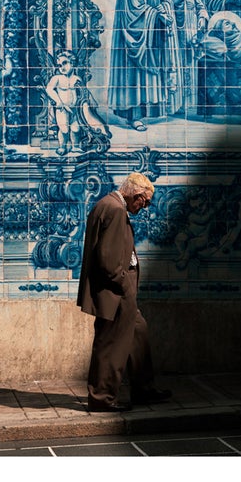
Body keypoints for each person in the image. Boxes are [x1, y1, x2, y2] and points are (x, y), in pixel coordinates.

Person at [76, 173, 173, 412]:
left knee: (138, 331)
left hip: (119, 288)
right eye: (145, 202)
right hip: (116, 290)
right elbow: (108, 259)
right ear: (135, 195)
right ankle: (102, 397)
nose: (145, 207)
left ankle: (144, 389)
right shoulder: (116, 210)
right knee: (111, 343)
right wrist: (123, 283)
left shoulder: (108, 204)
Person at [107, 0, 182, 124]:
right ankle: (134, 117)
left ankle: (148, 112)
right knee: (134, 77)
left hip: (151, 36)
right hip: (135, 36)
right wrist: (157, 14)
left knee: (149, 77)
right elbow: (134, 11)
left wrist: (165, 7)